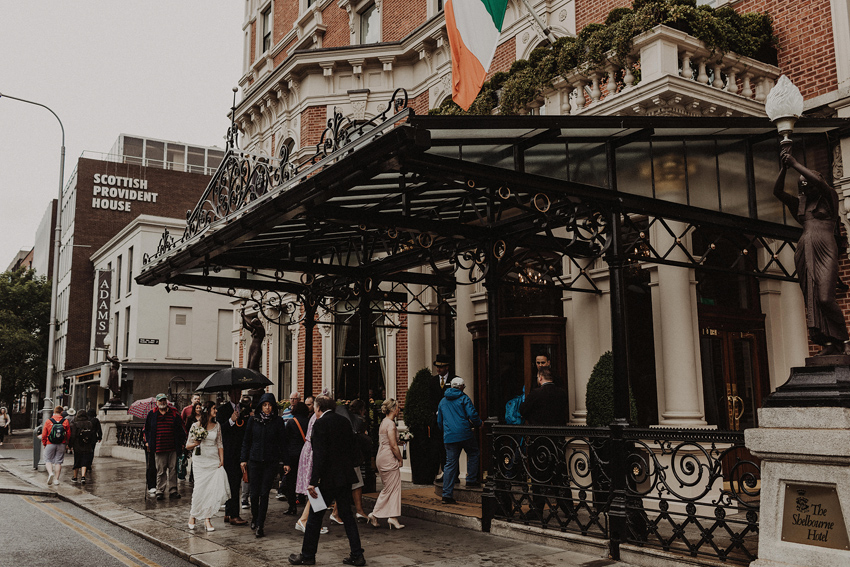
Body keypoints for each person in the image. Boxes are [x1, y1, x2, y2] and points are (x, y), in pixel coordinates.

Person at [774, 151, 850, 355]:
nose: (804, 185)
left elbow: (820, 183)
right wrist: (784, 167)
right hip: (804, 250)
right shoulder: (799, 205)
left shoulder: (829, 198)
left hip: (825, 247)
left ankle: (844, 339)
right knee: (813, 300)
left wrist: (796, 163)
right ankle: (827, 343)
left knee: (825, 298)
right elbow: (777, 192)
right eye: (801, 184)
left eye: (807, 181)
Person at [288, 395, 365, 567]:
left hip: (326, 480)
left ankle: (307, 555)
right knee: (347, 516)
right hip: (344, 477)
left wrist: (313, 481)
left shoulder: (320, 423)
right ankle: (357, 554)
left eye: (314, 407)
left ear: (318, 408)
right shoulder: (344, 421)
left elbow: (319, 455)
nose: (314, 411)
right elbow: (353, 448)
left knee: (315, 518)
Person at [240, 392, 288, 537]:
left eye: (270, 405)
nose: (267, 408)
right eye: (265, 405)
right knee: (254, 494)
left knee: (264, 493)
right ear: (261, 406)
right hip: (254, 460)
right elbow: (246, 441)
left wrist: (286, 462)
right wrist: (243, 459)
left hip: (270, 461)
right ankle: (255, 517)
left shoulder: (278, 421)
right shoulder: (253, 420)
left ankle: (260, 524)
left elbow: (283, 443)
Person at [185, 401, 230, 532]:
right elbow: (188, 445)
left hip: (213, 460)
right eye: (214, 408)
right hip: (200, 461)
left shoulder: (217, 425)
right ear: (208, 410)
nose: (216, 411)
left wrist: (222, 460)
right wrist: (196, 443)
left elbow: (220, 444)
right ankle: (192, 515)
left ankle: (207, 519)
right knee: (199, 489)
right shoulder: (196, 425)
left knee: (211, 491)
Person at [437, 377, 482, 504]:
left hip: (449, 437)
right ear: (461, 387)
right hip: (465, 434)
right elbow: (472, 415)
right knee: (473, 453)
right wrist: (479, 423)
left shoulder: (442, 401)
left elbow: (439, 421)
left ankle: (446, 495)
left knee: (450, 464)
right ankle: (471, 479)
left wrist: (446, 431)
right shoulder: (464, 398)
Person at [367, 399, 405, 529]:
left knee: (389, 488)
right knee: (392, 488)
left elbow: (388, 441)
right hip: (388, 457)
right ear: (393, 409)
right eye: (398, 408)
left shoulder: (384, 422)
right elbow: (393, 446)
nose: (399, 410)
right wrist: (400, 459)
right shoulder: (391, 424)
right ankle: (381, 515)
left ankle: (388, 516)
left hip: (381, 455)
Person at [143, 393, 186, 500]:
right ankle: (160, 490)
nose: (162, 402)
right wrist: (147, 441)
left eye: (164, 400)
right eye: (160, 400)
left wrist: (182, 443)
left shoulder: (174, 414)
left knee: (173, 469)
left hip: (172, 447)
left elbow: (181, 429)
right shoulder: (152, 414)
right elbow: (146, 430)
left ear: (166, 401)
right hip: (159, 447)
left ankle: (173, 490)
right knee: (161, 470)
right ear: (157, 403)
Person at [217, 388, 250, 526]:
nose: (237, 395)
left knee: (236, 483)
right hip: (229, 452)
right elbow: (220, 430)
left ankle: (229, 512)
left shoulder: (245, 408)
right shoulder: (223, 410)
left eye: (239, 393)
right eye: (235, 393)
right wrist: (231, 420)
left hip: (241, 450)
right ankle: (233, 515)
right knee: (232, 483)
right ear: (230, 394)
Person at [283, 401, 310, 515]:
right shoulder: (310, 422)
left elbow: (286, 441)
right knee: (307, 480)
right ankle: (306, 503)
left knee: (291, 481)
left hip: (293, 455)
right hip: (306, 455)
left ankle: (292, 506)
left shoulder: (291, 422)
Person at [430, 354, 453, 481]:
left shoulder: (454, 380)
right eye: (437, 367)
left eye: (442, 367)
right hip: (437, 422)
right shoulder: (432, 381)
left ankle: (452, 475)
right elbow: (430, 400)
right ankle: (444, 472)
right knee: (439, 448)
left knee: (451, 448)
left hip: (451, 421)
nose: (439, 369)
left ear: (447, 367)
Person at [41, 405, 70, 486]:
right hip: (61, 443)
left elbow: (44, 434)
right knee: (58, 462)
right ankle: (56, 480)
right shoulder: (65, 421)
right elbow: (68, 434)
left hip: (50, 443)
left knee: (48, 460)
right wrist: (67, 443)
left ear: (54, 412)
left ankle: (50, 473)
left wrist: (44, 443)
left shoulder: (48, 421)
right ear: (61, 412)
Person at [70, 410, 98, 484]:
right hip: (87, 444)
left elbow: (72, 435)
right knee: (84, 461)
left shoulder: (75, 424)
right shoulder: (89, 423)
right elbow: (92, 434)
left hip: (77, 444)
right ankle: (83, 476)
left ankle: (75, 477)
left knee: (77, 460)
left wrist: (70, 445)